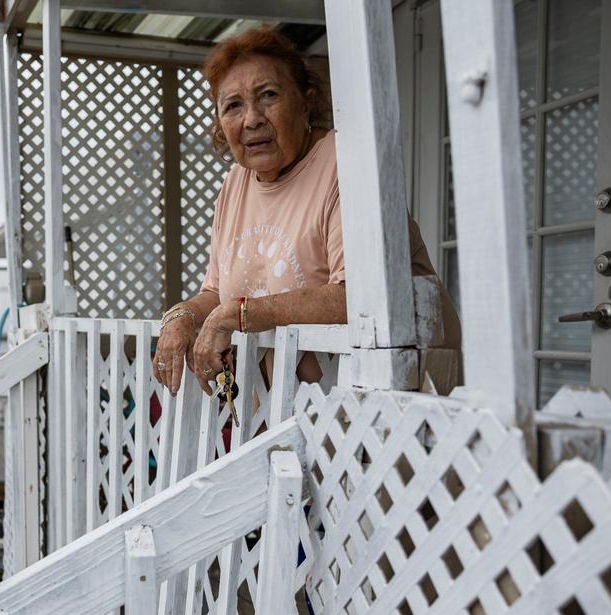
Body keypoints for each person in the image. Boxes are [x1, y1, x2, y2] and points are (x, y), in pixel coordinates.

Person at [152, 27, 460, 397]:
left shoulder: (346, 164)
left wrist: (240, 314)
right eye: (233, 105)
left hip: (388, 400)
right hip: (287, 417)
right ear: (220, 124)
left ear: (306, 101)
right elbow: (216, 292)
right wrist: (181, 316)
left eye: (268, 95)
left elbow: (362, 296)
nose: (251, 119)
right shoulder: (236, 183)